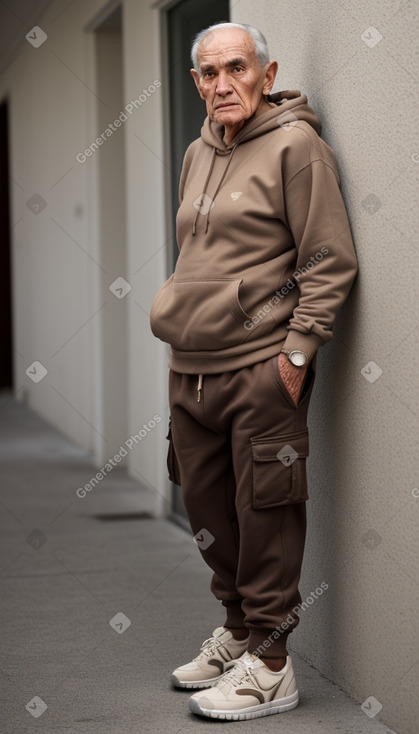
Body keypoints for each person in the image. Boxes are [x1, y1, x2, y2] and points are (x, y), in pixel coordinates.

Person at [150, 21, 358, 721]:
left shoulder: (297, 147)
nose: (221, 84)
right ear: (196, 83)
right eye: (208, 73)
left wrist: (295, 357)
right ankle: (238, 632)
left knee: (264, 514)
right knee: (208, 510)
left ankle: (271, 665)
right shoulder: (196, 151)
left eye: (235, 68)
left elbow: (328, 261)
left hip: (260, 367)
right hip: (191, 368)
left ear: (265, 75)